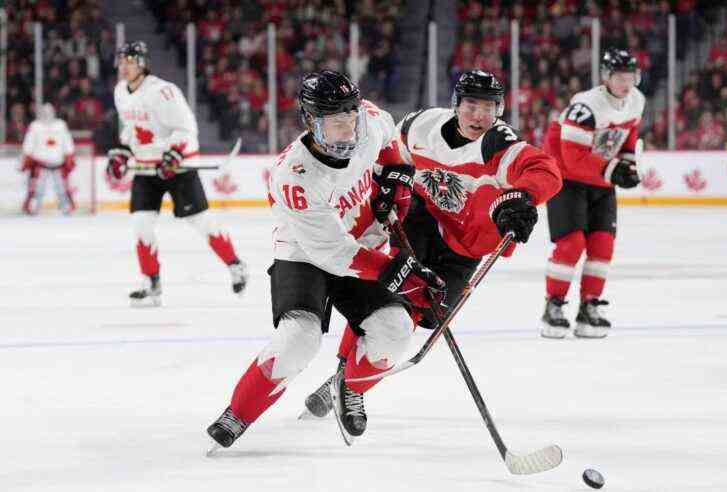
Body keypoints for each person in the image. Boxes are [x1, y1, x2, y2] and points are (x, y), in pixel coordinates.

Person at [301, 69, 562, 420]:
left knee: (417, 320)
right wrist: (382, 186)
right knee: (386, 301)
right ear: (456, 103)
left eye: (488, 107)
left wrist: (522, 197)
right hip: (420, 221)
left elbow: (545, 170)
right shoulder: (420, 123)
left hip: (465, 246)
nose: (478, 115)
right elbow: (384, 154)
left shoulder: (497, 142)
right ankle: (347, 381)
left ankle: (349, 382)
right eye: (471, 105)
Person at [206, 70, 447, 448]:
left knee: (395, 330)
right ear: (311, 121)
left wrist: (399, 179)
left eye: (350, 119)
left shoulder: (366, 120)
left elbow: (391, 141)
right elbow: (332, 252)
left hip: (361, 243)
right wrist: (397, 272)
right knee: (299, 338)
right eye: (335, 123)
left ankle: (348, 388)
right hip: (305, 254)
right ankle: (239, 411)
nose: (348, 131)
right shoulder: (294, 175)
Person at [106, 41, 249, 307]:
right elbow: (131, 130)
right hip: (146, 168)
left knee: (201, 222)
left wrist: (173, 155)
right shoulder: (120, 92)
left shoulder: (163, 91)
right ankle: (152, 283)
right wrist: (122, 151)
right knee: (141, 224)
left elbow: (186, 129)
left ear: (143, 64)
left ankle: (236, 265)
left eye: (130, 61)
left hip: (177, 168)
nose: (124, 67)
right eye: (121, 61)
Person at [540, 48, 645, 339]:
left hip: (599, 179)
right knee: (571, 244)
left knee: (602, 246)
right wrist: (614, 170)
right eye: (620, 77)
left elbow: (629, 137)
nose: (626, 83)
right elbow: (572, 158)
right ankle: (554, 306)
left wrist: (629, 165)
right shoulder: (585, 106)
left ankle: (589, 307)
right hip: (566, 178)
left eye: (631, 76)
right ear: (606, 77)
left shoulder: (636, 101)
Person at [20, 103, 77, 215]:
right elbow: (29, 143)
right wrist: (27, 154)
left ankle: (66, 206)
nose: (47, 115)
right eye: (44, 113)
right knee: (37, 188)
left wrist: (69, 154)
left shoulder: (61, 125)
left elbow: (67, 141)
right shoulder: (35, 126)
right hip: (40, 163)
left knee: (62, 188)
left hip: (58, 162)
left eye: (49, 112)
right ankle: (34, 206)